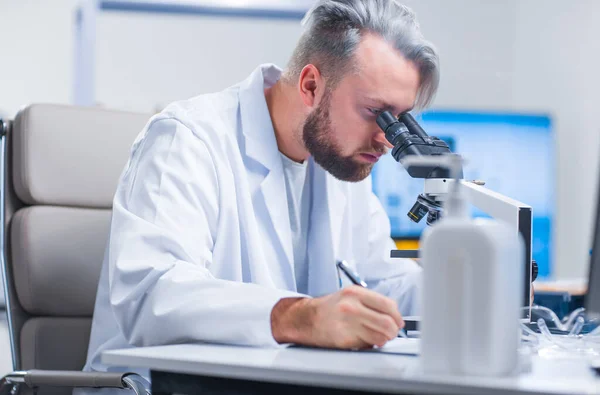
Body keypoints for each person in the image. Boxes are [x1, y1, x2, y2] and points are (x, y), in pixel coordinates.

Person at [79, 0, 439, 384]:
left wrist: (474, 295)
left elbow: (380, 281)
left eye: (400, 119)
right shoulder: (188, 140)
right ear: (311, 85)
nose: (387, 139)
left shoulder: (340, 160)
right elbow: (152, 295)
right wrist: (302, 316)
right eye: (374, 112)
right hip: (157, 386)